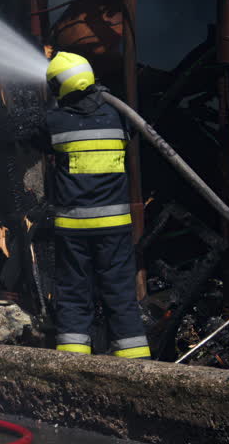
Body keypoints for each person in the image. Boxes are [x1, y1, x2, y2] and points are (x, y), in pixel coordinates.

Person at [41, 51, 151, 359]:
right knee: (120, 293)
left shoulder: (56, 121)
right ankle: (136, 363)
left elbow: (36, 138)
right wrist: (101, 98)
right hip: (114, 228)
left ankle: (73, 361)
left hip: (73, 228)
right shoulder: (118, 115)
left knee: (74, 294)